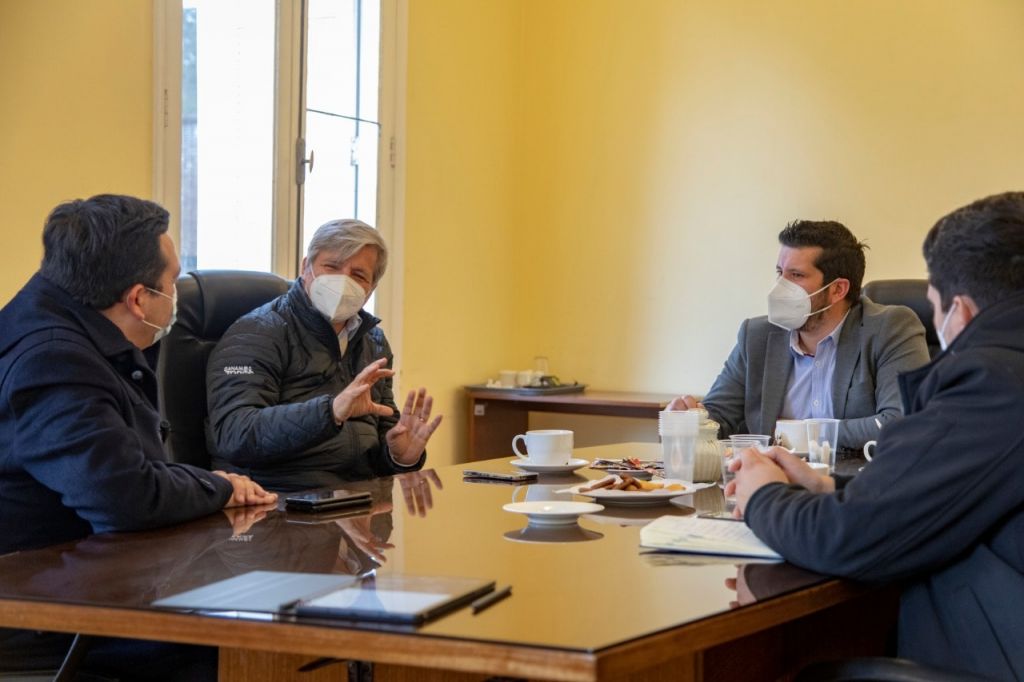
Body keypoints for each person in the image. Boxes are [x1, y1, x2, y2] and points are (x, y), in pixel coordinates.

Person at [730, 192, 1024, 680]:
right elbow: (957, 487)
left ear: (961, 312)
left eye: (935, 308)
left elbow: (845, 538)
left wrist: (762, 495)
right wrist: (830, 485)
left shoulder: (991, 385)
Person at [0, 194, 276, 680]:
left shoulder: (59, 324)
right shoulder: (54, 361)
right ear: (137, 298)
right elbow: (126, 496)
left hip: (79, 579)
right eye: (172, 283)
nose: (175, 297)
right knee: (243, 645)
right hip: (39, 614)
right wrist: (219, 487)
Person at [207, 219, 441, 491]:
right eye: (332, 266)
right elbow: (235, 433)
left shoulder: (374, 342)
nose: (343, 281)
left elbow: (378, 442)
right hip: (278, 501)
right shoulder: (255, 333)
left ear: (371, 289)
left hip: (357, 501)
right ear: (305, 267)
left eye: (358, 275)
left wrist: (398, 457)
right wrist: (330, 411)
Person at [669, 220, 930, 450]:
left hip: (854, 482)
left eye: (796, 275)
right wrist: (690, 421)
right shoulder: (756, 336)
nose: (780, 286)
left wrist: (805, 434)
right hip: (771, 481)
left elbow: (903, 422)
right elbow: (719, 420)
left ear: (837, 289)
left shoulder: (889, 328)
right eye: (780, 273)